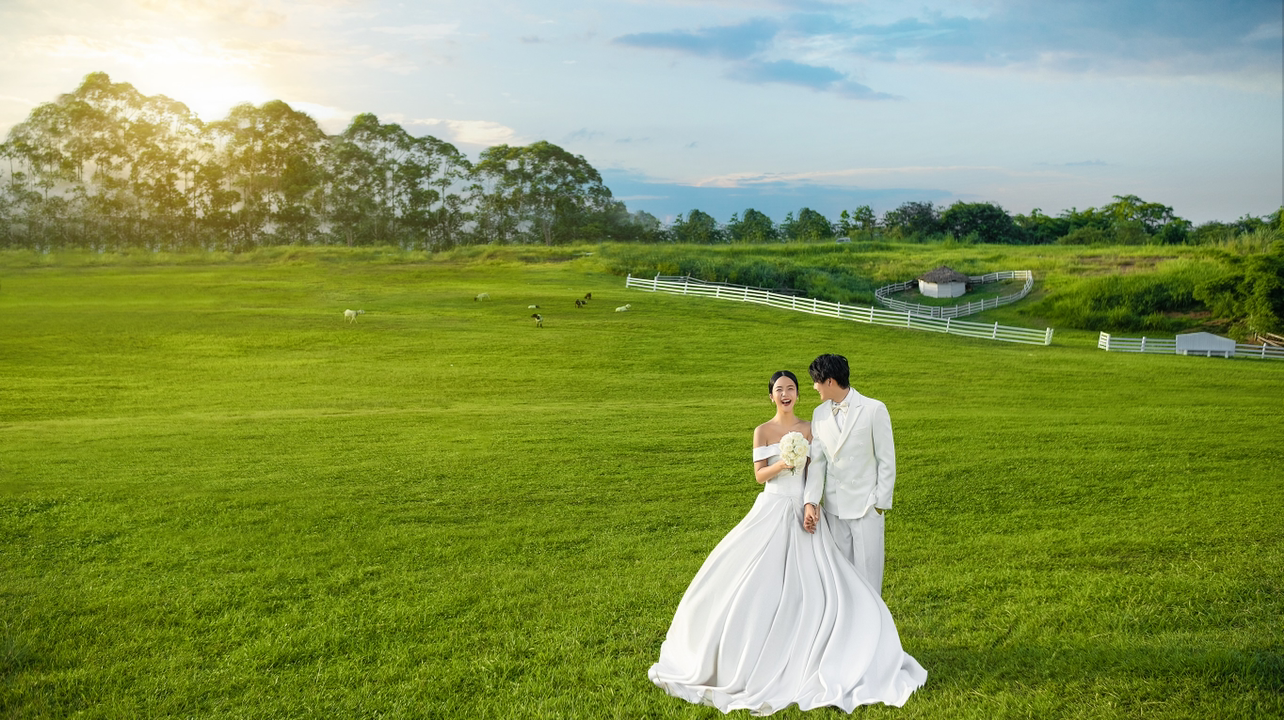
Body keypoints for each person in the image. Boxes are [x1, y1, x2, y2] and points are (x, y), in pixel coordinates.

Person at [648, 370, 926, 715]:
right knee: (759, 582)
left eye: (791, 388)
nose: (785, 394)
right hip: (772, 507)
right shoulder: (762, 431)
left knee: (820, 582)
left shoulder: (811, 427)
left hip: (803, 512)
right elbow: (759, 475)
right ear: (771, 396)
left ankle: (838, 644)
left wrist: (811, 504)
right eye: (779, 389)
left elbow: (816, 470)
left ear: (797, 394)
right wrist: (784, 462)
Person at [803, 353, 895, 594]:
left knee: (868, 576)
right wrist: (811, 500)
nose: (814, 387)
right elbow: (817, 463)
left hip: (866, 506)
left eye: (816, 381)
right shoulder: (819, 414)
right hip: (835, 508)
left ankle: (872, 618)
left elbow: (887, 460)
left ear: (830, 381)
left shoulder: (874, 409)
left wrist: (879, 504)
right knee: (841, 577)